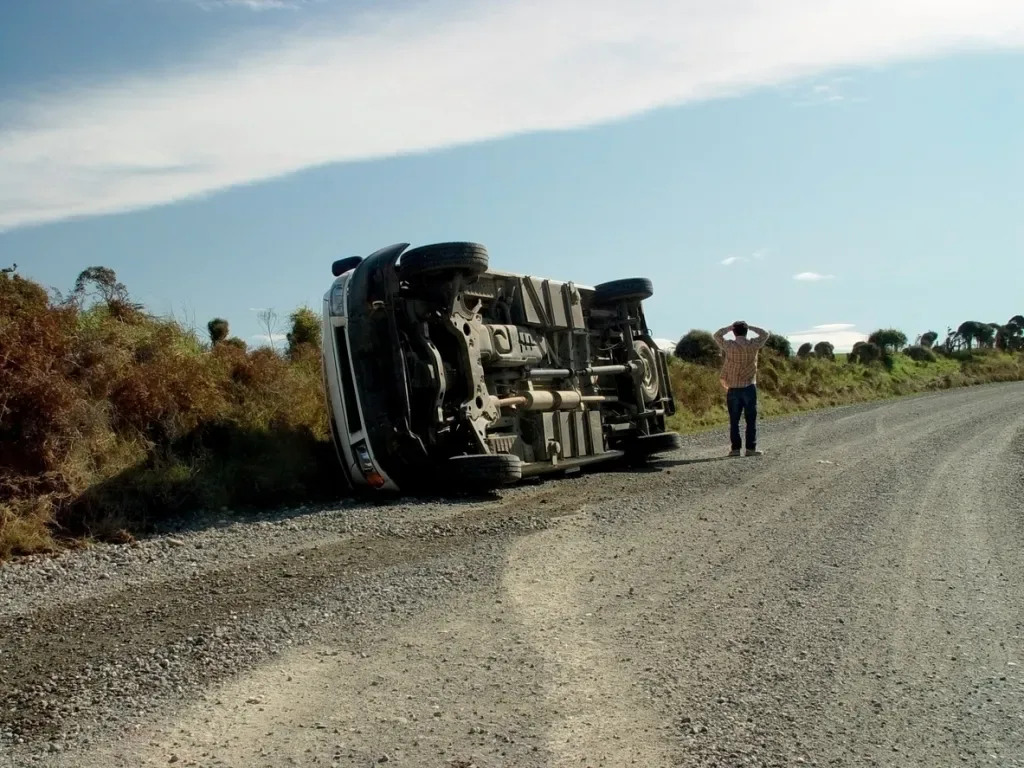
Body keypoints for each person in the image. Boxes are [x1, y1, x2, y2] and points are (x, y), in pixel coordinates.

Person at [713, 320, 770, 457]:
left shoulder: (729, 346)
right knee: (751, 420)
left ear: (734, 332)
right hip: (749, 387)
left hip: (733, 388)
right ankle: (750, 449)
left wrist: (729, 328)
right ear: (746, 331)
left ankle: (735, 449)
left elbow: (716, 335)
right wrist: (750, 327)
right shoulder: (753, 345)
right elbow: (765, 334)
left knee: (734, 421)